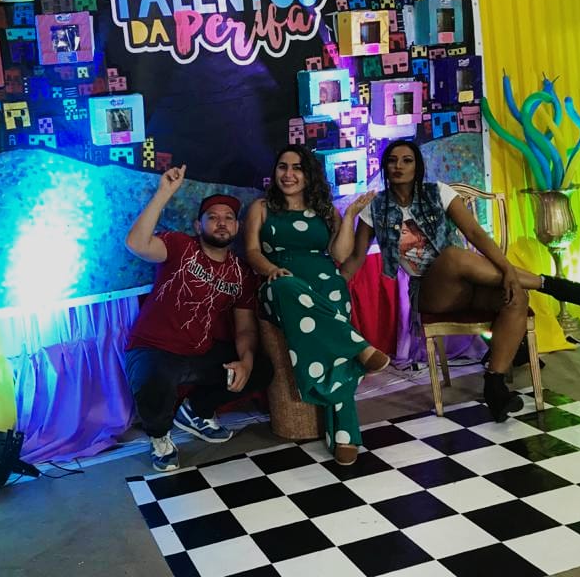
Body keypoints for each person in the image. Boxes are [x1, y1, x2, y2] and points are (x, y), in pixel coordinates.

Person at [347, 139, 580, 422]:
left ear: (417, 166)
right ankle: (550, 284)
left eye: (407, 160)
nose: (399, 166)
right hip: (430, 292)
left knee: (516, 297)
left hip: (468, 285)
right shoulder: (376, 208)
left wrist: (508, 272)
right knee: (453, 256)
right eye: (392, 161)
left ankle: (494, 385)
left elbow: (475, 233)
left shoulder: (438, 192)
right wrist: (334, 280)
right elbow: (357, 257)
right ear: (385, 167)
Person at [244, 145, 391, 467]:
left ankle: (344, 436)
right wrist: (271, 270)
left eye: (297, 168)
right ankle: (360, 349)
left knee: (335, 305)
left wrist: (349, 216)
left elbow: (339, 255)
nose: (288, 174)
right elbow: (252, 251)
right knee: (287, 285)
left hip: (325, 282)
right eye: (283, 167)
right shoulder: (261, 208)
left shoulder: (324, 210)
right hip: (279, 284)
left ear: (309, 175)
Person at [124, 165, 273, 472]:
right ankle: (159, 437)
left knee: (261, 368)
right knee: (153, 380)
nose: (222, 223)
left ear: (237, 227)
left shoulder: (241, 273)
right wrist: (164, 193)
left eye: (228, 217)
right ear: (198, 225)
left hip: (199, 351)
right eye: (213, 217)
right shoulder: (180, 246)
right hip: (154, 347)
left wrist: (245, 362)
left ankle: (195, 411)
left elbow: (245, 328)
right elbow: (137, 244)